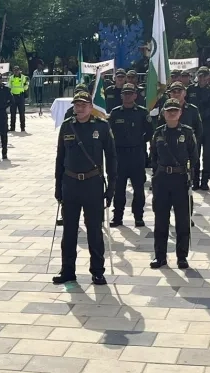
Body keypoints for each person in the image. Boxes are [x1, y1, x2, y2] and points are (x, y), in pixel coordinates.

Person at [53, 91, 116, 286]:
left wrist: (111, 188)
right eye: (76, 105)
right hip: (71, 184)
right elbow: (60, 159)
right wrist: (58, 187)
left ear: (91, 107)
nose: (79, 108)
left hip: (92, 185)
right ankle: (67, 270)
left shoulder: (102, 127)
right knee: (69, 232)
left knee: (94, 232)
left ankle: (97, 271)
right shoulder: (66, 127)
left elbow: (112, 159)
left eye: (83, 105)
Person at [149, 98, 196, 269]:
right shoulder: (158, 133)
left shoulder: (188, 132)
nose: (172, 113)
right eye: (169, 110)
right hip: (162, 180)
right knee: (161, 220)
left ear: (180, 113)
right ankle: (160, 256)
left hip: (181, 180)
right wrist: (156, 175)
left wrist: (191, 179)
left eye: (175, 110)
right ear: (163, 113)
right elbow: (153, 156)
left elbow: (194, 157)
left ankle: (182, 256)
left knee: (182, 220)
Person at [108, 83, 152, 227]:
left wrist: (138, 142)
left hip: (137, 154)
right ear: (121, 96)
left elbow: (150, 132)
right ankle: (117, 216)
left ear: (135, 95)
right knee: (118, 188)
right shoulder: (115, 113)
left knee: (138, 188)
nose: (127, 96)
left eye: (130, 93)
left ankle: (138, 216)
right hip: (120, 155)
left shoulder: (142, 112)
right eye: (124, 93)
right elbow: (109, 134)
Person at [188, 67, 210, 189]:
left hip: (208, 126)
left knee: (208, 155)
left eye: (204, 77)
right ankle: (195, 180)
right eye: (200, 76)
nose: (202, 79)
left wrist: (199, 116)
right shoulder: (190, 89)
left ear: (208, 78)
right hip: (194, 126)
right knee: (195, 154)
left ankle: (205, 180)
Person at [8, 65, 29, 131]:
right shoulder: (11, 78)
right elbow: (9, 86)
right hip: (13, 96)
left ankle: (22, 128)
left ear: (19, 70)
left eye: (17, 70)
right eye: (15, 70)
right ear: (13, 71)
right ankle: (12, 127)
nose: (16, 71)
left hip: (20, 96)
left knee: (22, 113)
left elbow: (26, 86)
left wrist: (26, 85)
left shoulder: (23, 77)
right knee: (12, 113)